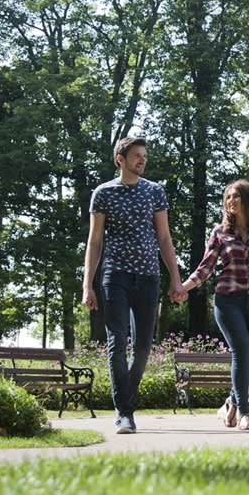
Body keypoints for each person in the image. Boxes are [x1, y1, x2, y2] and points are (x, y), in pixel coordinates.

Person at [82, 136, 187, 434]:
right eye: (137, 156)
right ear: (120, 159)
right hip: (115, 276)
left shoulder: (154, 192)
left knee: (142, 348)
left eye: (144, 156)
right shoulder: (103, 193)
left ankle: (126, 398)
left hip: (149, 277)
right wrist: (86, 285)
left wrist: (175, 279)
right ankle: (124, 412)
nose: (142, 160)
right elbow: (95, 241)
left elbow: (164, 239)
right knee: (117, 344)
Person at [182, 179, 249, 431]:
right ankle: (245, 413)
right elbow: (206, 266)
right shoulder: (219, 232)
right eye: (227, 197)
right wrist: (184, 287)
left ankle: (231, 401)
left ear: (247, 200)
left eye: (235, 196)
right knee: (241, 352)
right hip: (227, 300)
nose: (230, 201)